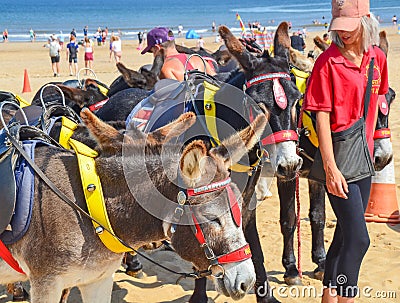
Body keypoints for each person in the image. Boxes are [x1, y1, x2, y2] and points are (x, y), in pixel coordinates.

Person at [304, 1, 388, 302]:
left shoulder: (377, 57)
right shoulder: (327, 61)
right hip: (338, 160)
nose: (344, 34)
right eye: (338, 28)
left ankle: (328, 297)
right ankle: (346, 299)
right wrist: (329, 166)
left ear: (365, 21)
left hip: (363, 159)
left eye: (349, 28)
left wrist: (377, 139)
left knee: (343, 237)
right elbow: (321, 115)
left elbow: (379, 98)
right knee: (359, 238)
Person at [141, 27, 215, 81]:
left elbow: (174, 97)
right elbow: (217, 81)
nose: (153, 55)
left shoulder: (164, 68)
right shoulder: (200, 60)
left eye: (152, 51)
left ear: (157, 48)